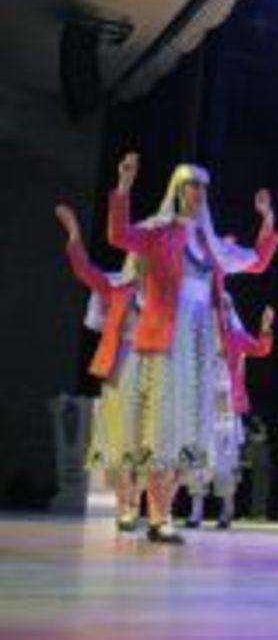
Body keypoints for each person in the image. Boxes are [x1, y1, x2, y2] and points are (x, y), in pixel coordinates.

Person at [106, 151, 278, 544]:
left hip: (200, 343)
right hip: (164, 338)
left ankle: (161, 514)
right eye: (190, 185)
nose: (198, 192)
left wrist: (267, 219)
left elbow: (256, 262)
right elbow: (119, 235)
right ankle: (148, 511)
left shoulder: (209, 243)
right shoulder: (158, 232)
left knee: (187, 429)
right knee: (161, 426)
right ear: (177, 190)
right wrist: (124, 186)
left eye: (202, 186)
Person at [56, 203, 144, 531]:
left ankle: (140, 502)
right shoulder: (116, 287)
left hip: (154, 369)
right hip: (121, 367)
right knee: (119, 438)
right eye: (135, 253)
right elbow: (84, 270)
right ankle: (124, 504)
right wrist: (74, 233)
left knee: (147, 441)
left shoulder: (164, 294)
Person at [185, 299, 274, 529]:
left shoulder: (237, 336)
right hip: (204, 403)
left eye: (225, 307)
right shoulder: (201, 337)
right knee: (199, 455)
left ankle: (227, 509)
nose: (221, 312)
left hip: (226, 405)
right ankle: (196, 510)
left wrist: (265, 327)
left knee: (225, 458)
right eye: (217, 307)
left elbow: (262, 349)